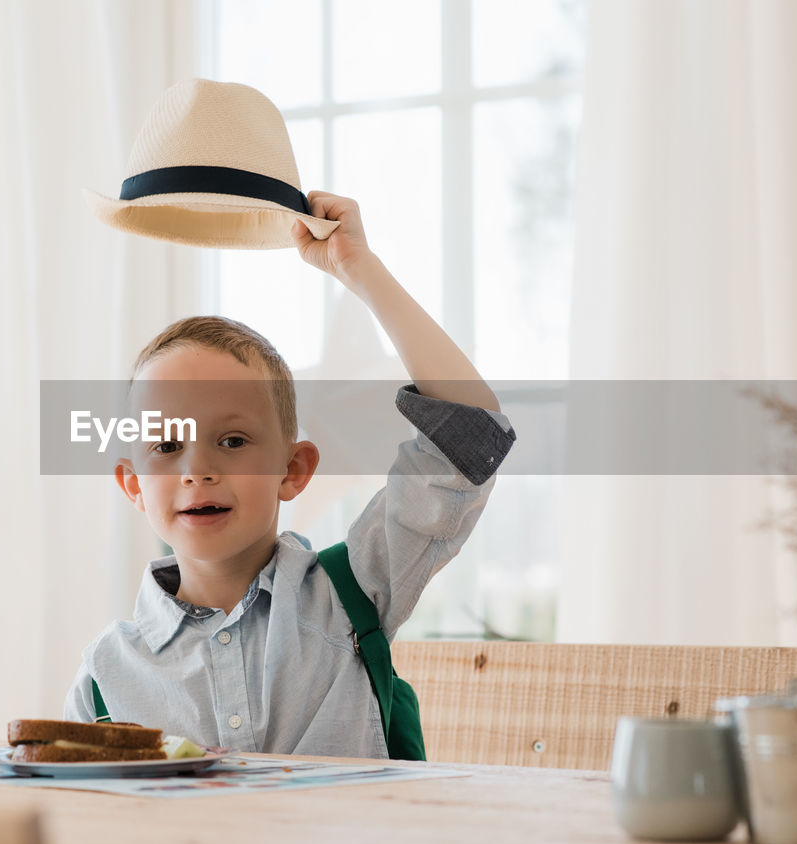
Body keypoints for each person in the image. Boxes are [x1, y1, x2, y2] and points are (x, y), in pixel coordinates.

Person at [63, 192, 516, 759]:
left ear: (294, 469)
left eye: (232, 441)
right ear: (133, 485)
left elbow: (471, 436)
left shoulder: (355, 589)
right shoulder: (103, 681)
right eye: (168, 444)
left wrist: (360, 269)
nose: (198, 469)